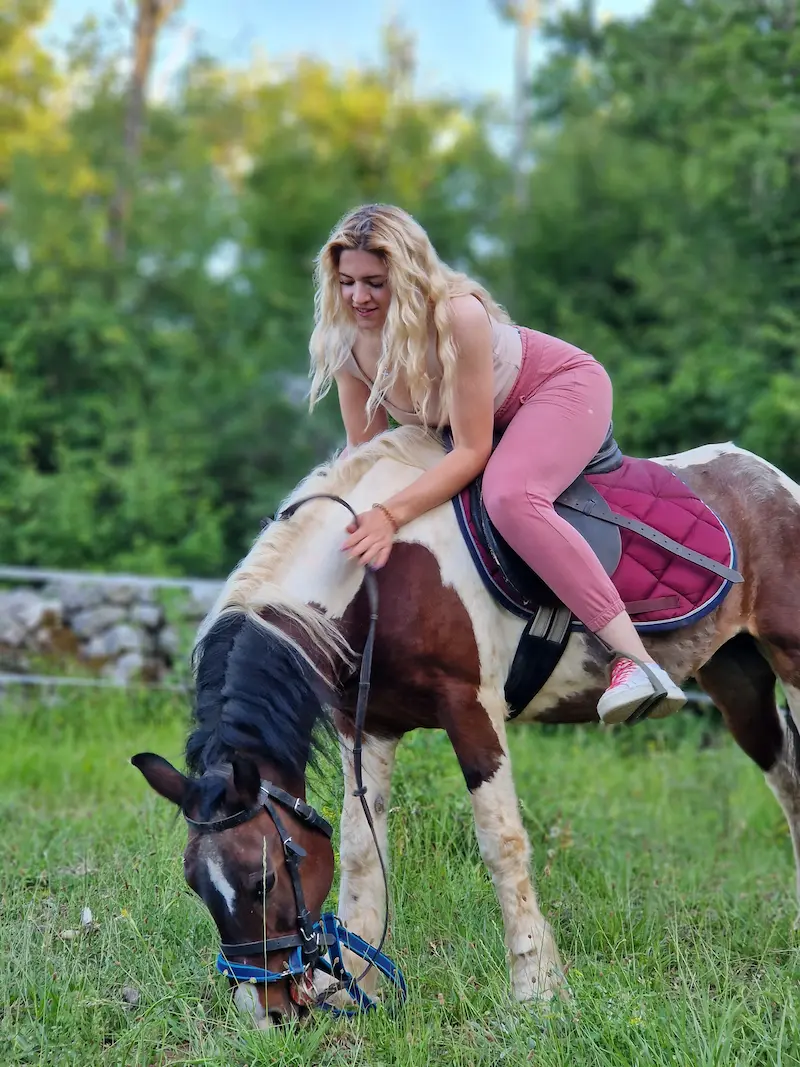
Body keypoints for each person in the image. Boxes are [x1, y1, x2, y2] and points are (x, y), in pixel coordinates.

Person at [308, 203, 686, 725]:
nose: (358, 297)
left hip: (557, 390)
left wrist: (392, 515)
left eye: (375, 282)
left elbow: (471, 451)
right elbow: (370, 452)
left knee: (510, 497)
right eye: (347, 281)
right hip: (475, 425)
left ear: (408, 274)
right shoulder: (343, 339)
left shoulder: (458, 317)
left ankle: (635, 661)